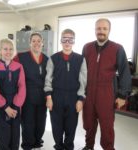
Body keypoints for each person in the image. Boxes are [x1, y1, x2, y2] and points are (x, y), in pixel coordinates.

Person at [82, 18, 131, 150]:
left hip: (106, 93)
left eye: (104, 29)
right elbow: (82, 72)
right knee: (89, 124)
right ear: (94, 30)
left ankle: (108, 148)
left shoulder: (117, 48)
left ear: (109, 30)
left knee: (107, 126)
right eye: (98, 28)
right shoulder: (87, 48)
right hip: (89, 92)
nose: (101, 31)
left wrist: (122, 95)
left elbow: (124, 72)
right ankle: (88, 146)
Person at [44, 29, 87, 150]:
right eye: (64, 39)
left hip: (73, 98)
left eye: (70, 40)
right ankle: (58, 146)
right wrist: (49, 98)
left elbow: (83, 81)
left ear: (74, 41)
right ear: (61, 41)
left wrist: (80, 99)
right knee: (56, 127)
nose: (67, 42)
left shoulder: (80, 59)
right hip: (56, 97)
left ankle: (69, 147)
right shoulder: (53, 59)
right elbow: (48, 79)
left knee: (71, 127)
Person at [0, 39, 26, 150]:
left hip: (15, 107)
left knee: (15, 140)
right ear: (0, 50)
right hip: (1, 108)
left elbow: (22, 86)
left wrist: (16, 105)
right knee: (4, 139)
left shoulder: (19, 67)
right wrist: (5, 107)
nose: (8, 52)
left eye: (11, 49)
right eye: (5, 49)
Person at [14, 32, 48, 150]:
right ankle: (27, 145)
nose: (36, 43)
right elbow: (13, 73)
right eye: (34, 41)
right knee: (28, 123)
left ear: (42, 43)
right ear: (30, 43)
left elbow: (50, 79)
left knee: (41, 123)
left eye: (39, 41)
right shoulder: (21, 57)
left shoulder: (47, 59)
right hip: (26, 96)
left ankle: (37, 141)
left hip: (42, 97)